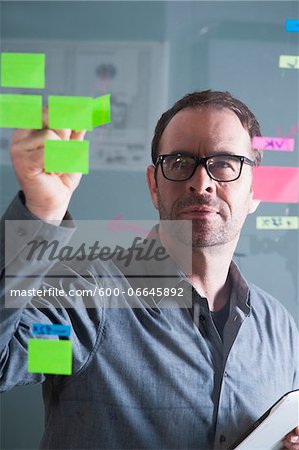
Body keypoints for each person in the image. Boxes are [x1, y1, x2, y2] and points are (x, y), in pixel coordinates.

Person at [0, 90, 298, 450]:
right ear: (154, 186)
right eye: (178, 162)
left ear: (256, 190)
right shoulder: (88, 306)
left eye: (223, 163)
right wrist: (40, 213)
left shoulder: (279, 330)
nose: (201, 182)